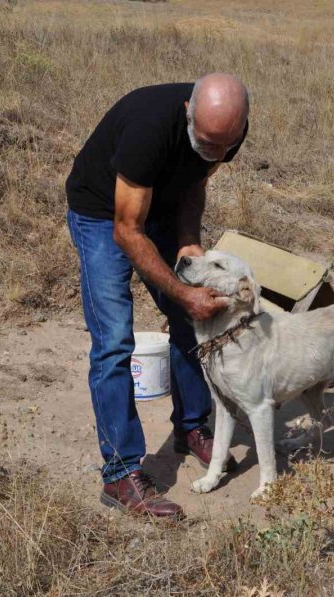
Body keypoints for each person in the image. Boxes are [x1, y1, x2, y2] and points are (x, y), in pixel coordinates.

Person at [65, 73, 249, 518]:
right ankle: (121, 473)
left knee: (191, 320)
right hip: (102, 215)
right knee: (113, 343)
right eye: (206, 141)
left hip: (161, 208)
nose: (216, 153)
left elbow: (194, 183)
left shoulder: (225, 129)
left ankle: (191, 427)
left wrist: (188, 243)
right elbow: (127, 231)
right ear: (189, 112)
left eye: (223, 146)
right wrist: (181, 292)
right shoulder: (149, 128)